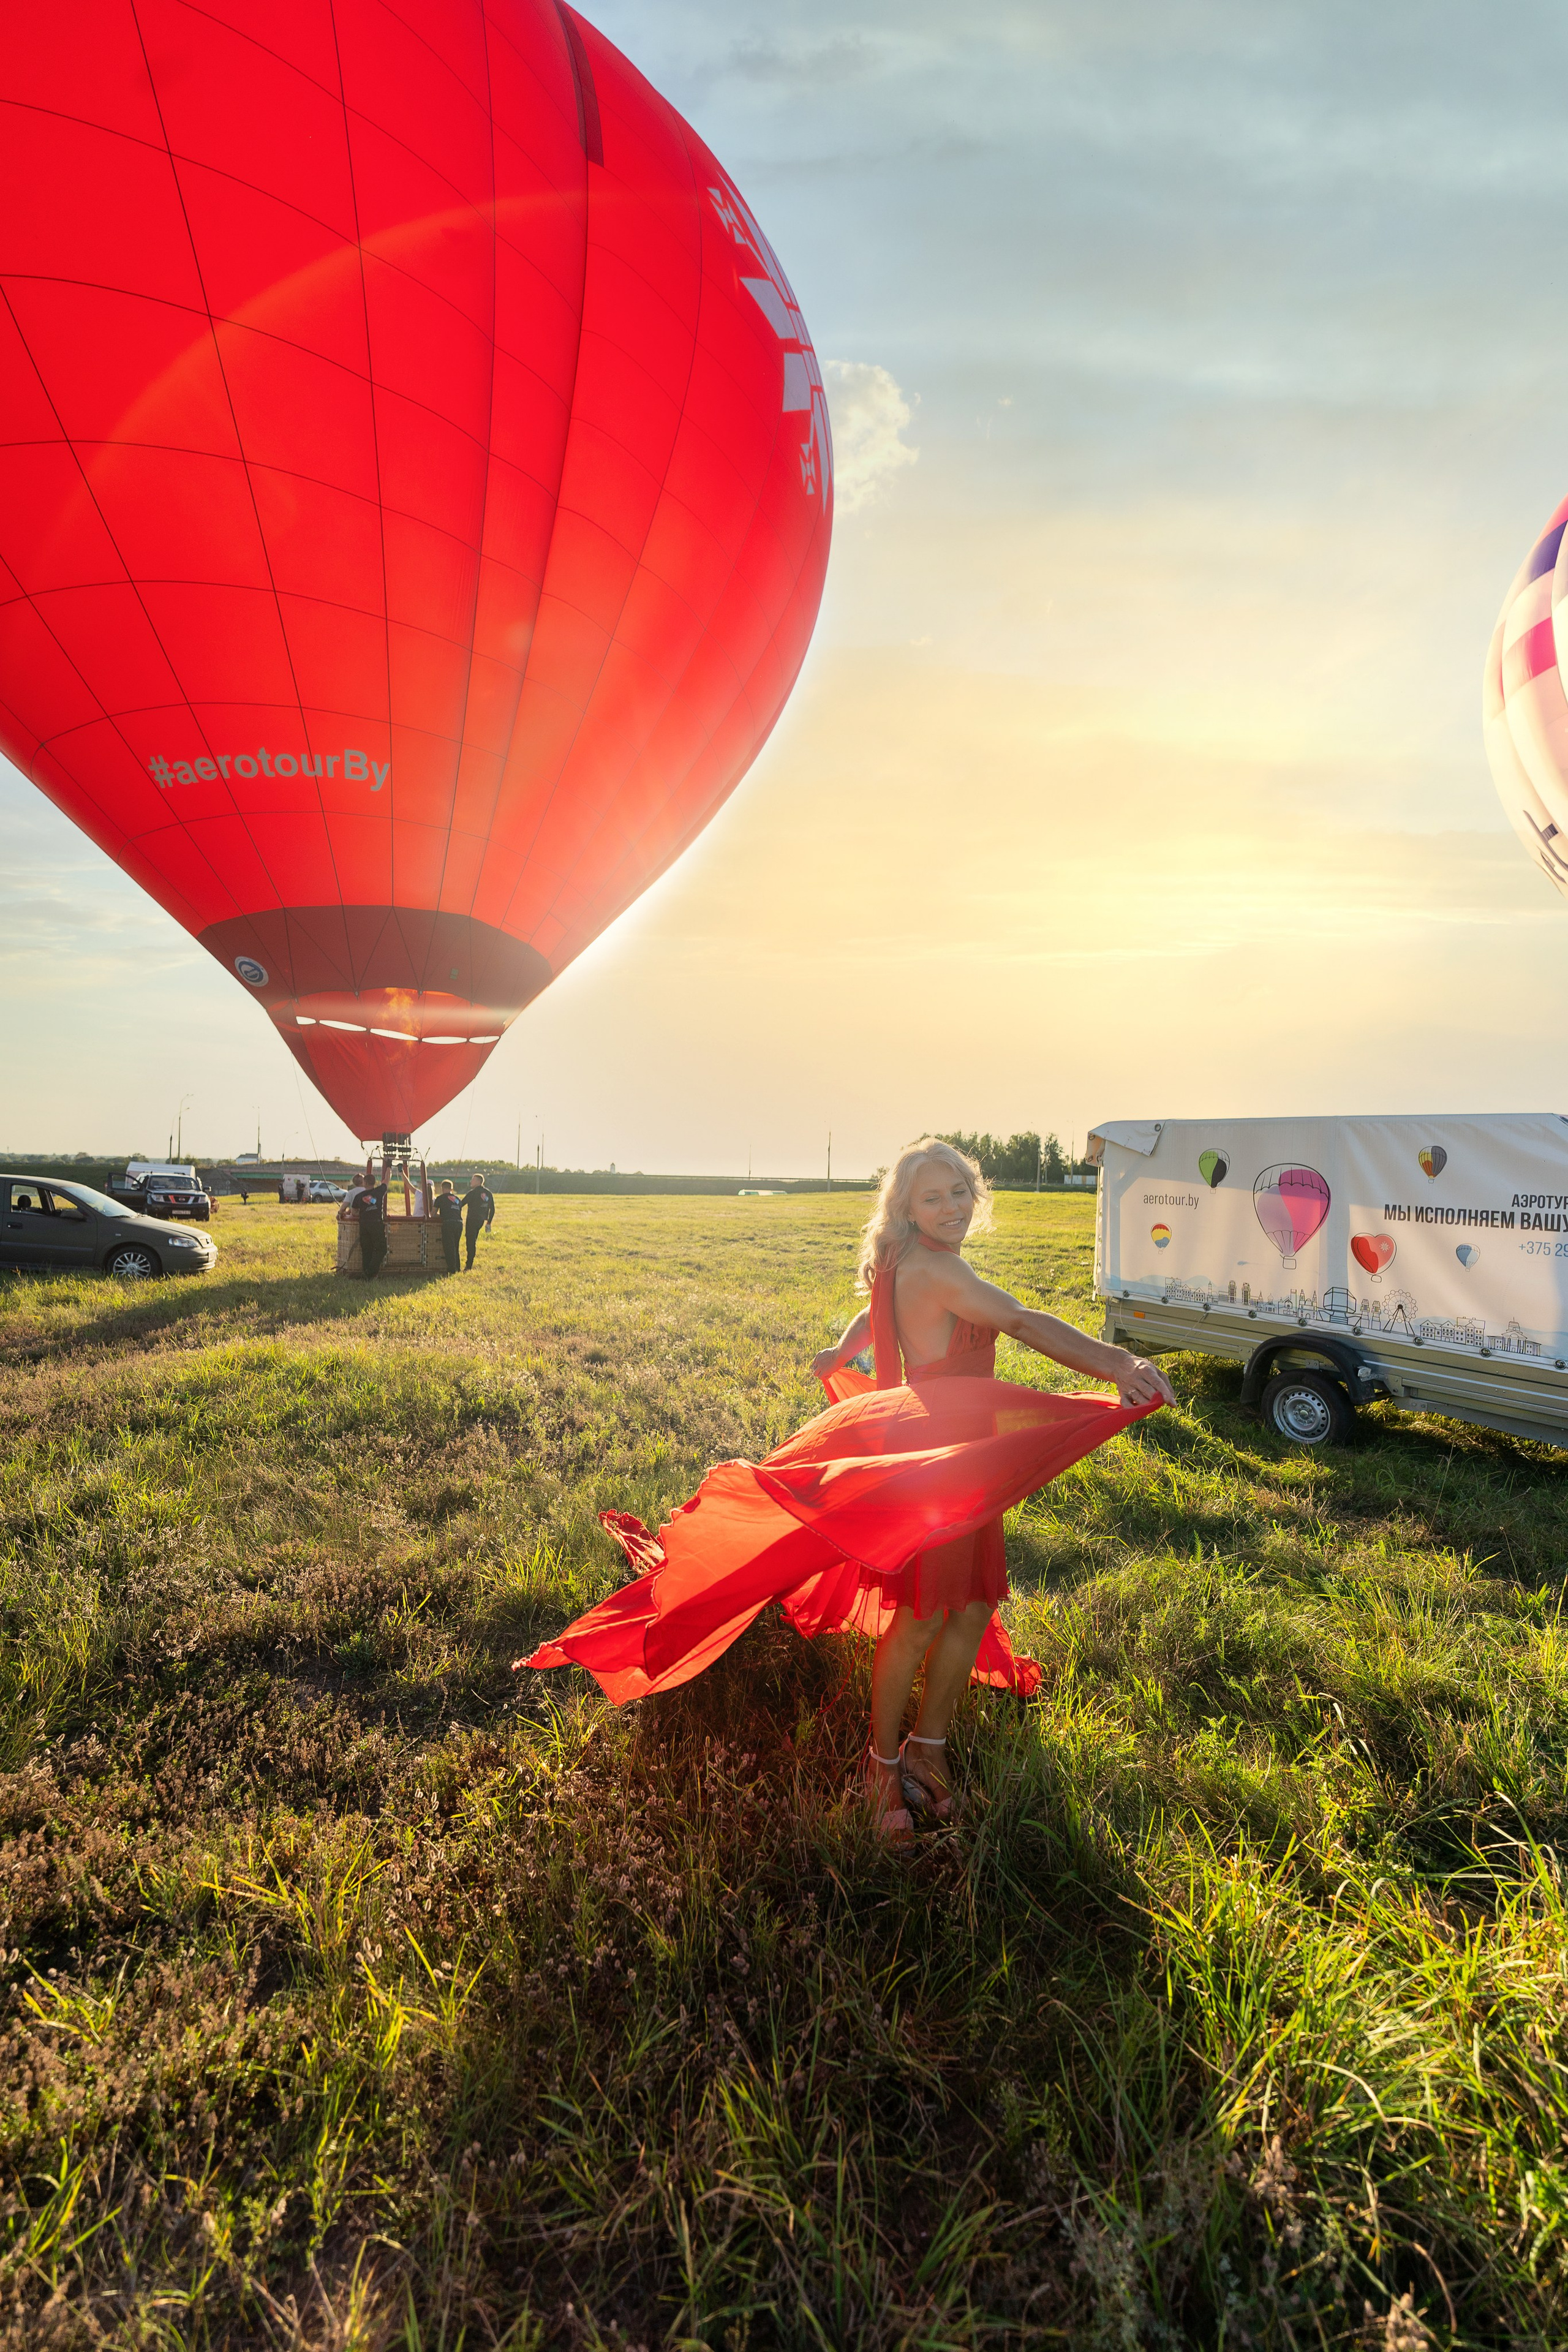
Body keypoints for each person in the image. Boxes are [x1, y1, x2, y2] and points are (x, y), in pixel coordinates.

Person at [521, 1137, 1174, 1853]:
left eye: (959, 1192)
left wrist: (840, 1351)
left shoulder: (901, 1261)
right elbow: (1020, 1320)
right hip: (938, 1458)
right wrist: (1118, 1361)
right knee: (924, 1614)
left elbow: (873, 1318)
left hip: (946, 1450)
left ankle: (929, 1744)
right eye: (933, 1197)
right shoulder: (934, 1269)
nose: (951, 1206)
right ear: (906, 1208)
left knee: (973, 1604)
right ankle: (881, 1761)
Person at [356, 1177, 388, 1280]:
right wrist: (389, 1166)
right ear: (374, 1183)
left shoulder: (359, 1196)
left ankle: (366, 1274)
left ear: (364, 1183)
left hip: (364, 1225)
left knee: (367, 1250)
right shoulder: (379, 1191)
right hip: (376, 1224)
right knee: (382, 1249)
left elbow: (353, 1211)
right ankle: (371, 1272)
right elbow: (386, 1180)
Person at [462, 1172, 494, 1269]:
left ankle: (469, 1265)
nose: (471, 1181)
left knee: (470, 1242)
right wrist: (489, 1222)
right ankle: (469, 1263)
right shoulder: (488, 1193)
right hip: (481, 1221)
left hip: (472, 1220)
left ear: (479, 1182)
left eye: (473, 1180)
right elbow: (492, 1209)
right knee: (473, 1241)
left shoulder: (472, 1193)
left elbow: (461, 1204)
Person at [435, 1180, 463, 1275]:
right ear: (452, 1188)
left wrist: (441, 1216)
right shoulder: (458, 1200)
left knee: (449, 1247)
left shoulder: (440, 1198)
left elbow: (432, 1214)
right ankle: (458, 1268)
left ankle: (452, 1270)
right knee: (456, 1246)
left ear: (442, 1188)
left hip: (448, 1224)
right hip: (459, 1223)